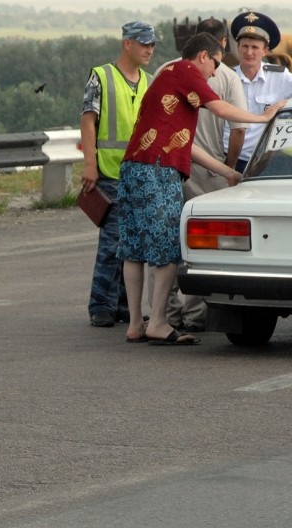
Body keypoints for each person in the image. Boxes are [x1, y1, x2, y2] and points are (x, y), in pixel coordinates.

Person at [117, 32, 286, 345]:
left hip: (135, 168)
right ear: (204, 56)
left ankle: (135, 325)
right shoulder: (187, 72)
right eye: (216, 64)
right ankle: (157, 323)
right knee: (168, 248)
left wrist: (227, 173)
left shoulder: (168, 76)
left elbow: (187, 146)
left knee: (133, 248)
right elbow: (222, 109)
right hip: (158, 170)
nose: (215, 74)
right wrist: (263, 117)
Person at [158, 18, 249, 332]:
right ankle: (196, 316)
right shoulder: (226, 77)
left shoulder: (166, 70)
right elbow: (238, 129)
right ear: (221, 44)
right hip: (208, 170)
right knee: (203, 245)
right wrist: (228, 166)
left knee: (166, 241)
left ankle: (166, 314)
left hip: (168, 167)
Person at [80, 21, 156, 328]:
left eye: (152, 45)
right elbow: (88, 121)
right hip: (111, 173)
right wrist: (90, 164)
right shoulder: (101, 77)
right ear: (128, 44)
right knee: (112, 243)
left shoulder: (149, 81)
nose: (150, 50)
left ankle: (124, 305)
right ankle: (100, 303)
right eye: (144, 44)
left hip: (140, 173)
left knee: (133, 244)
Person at [224, 11, 292, 173]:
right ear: (237, 48)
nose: (249, 52)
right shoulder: (225, 78)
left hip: (265, 161)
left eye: (255, 47)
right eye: (245, 46)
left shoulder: (280, 76)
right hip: (226, 159)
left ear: (266, 51)